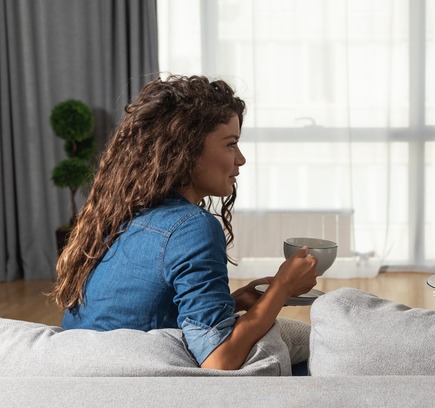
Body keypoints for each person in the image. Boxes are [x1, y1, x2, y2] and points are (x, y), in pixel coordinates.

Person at [49, 75, 318, 371]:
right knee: (309, 342)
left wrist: (234, 301)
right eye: (231, 144)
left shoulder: (117, 214)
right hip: (141, 392)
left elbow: (139, 313)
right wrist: (282, 286)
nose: (240, 159)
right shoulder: (191, 227)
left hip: (85, 377)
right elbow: (218, 361)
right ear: (185, 150)